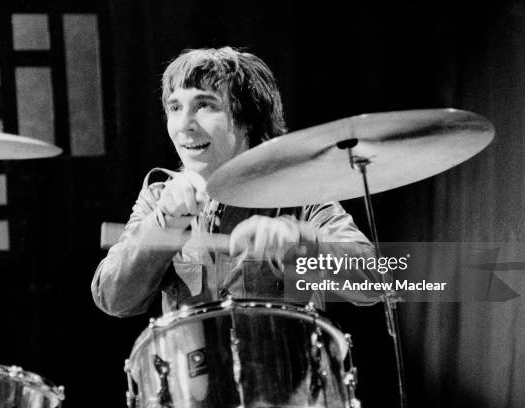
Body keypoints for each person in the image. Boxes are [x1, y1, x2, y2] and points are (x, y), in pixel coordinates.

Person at [91, 47, 375, 318]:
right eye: (175, 107)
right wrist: (163, 222)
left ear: (248, 118)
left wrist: (300, 241)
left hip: (285, 366)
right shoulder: (158, 198)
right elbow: (113, 299)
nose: (184, 124)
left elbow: (373, 282)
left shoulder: (300, 193)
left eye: (204, 105)